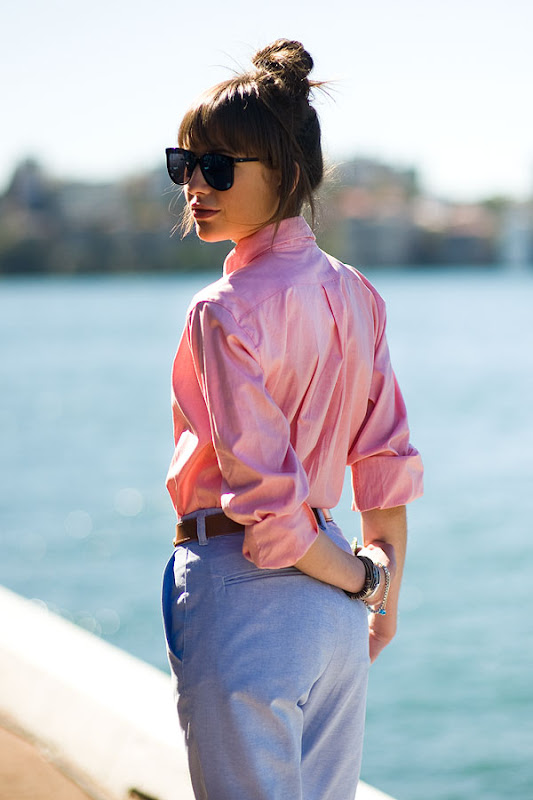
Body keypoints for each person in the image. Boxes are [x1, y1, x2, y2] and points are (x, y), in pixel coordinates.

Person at [161, 39, 423, 800]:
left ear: (287, 172)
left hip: (248, 590)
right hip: (333, 614)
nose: (194, 185)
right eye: (185, 164)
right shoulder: (357, 294)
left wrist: (362, 577)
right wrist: (380, 593)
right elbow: (384, 459)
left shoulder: (222, 310)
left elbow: (268, 511)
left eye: (217, 167)